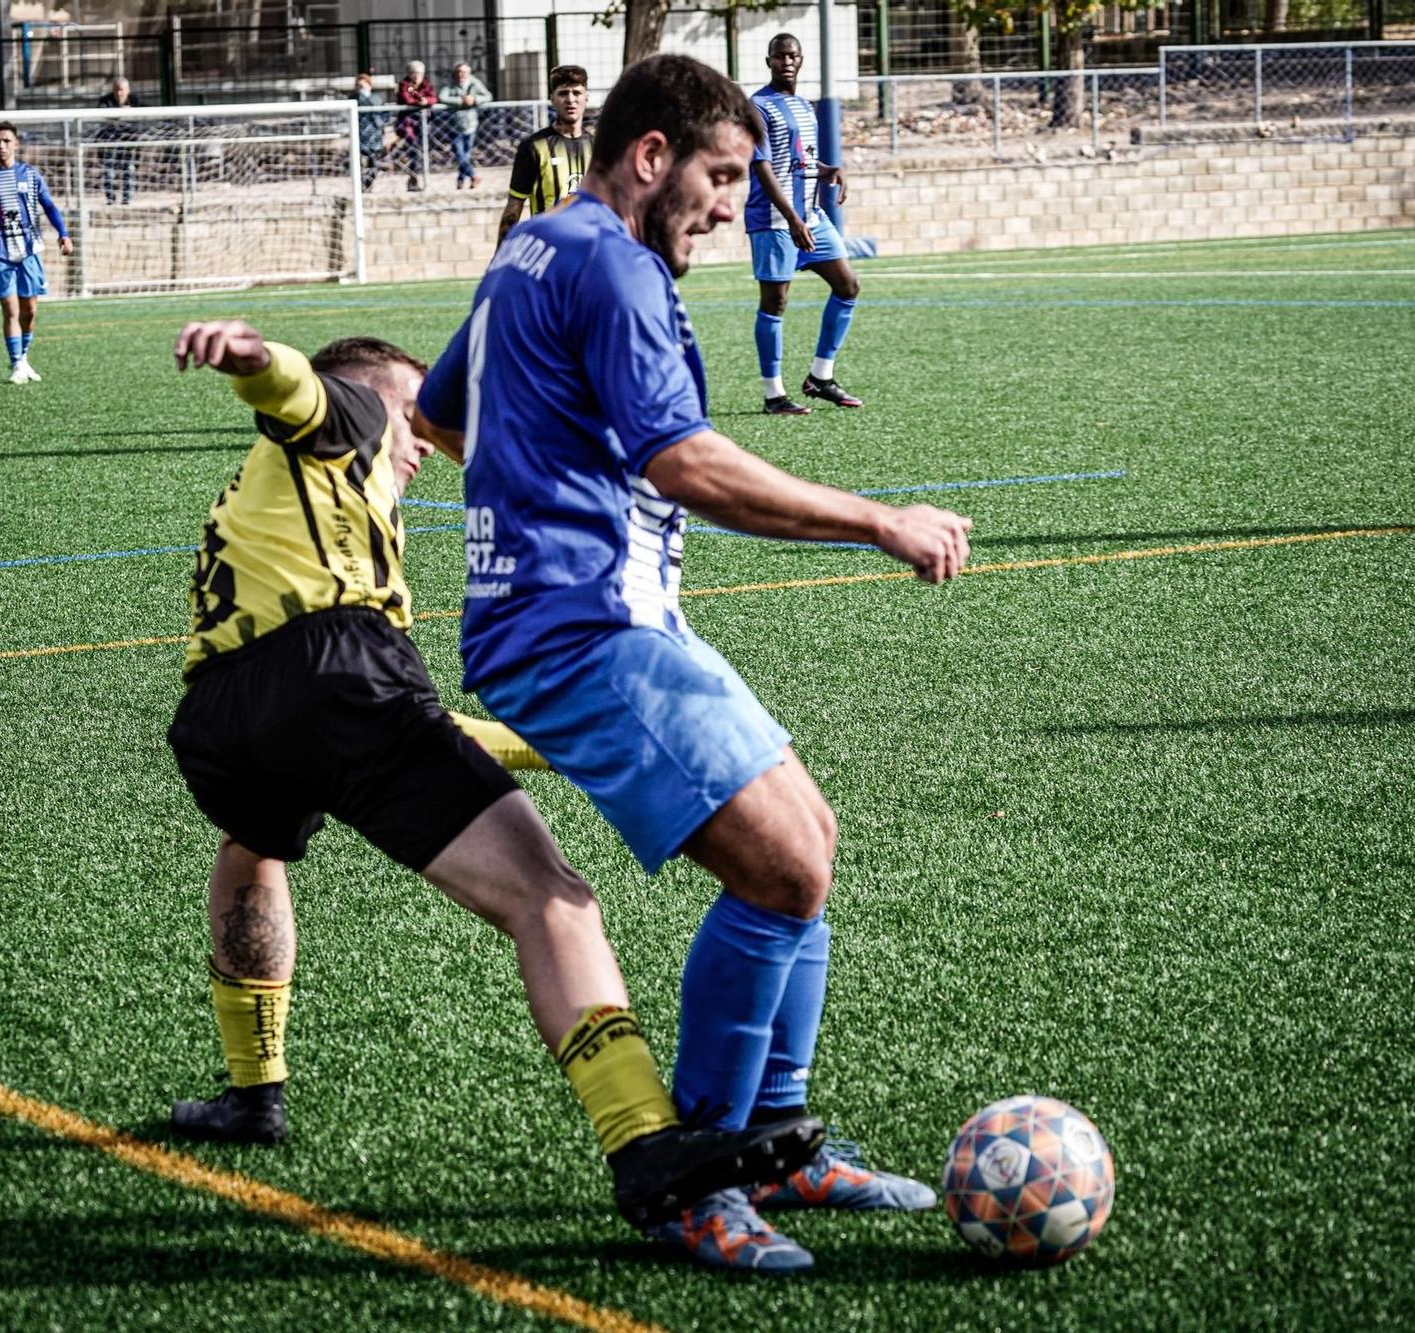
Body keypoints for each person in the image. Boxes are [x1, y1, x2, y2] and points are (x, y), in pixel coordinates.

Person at [414, 53, 971, 1273]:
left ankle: (773, 1135)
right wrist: (876, 517)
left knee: (802, 838)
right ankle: (698, 1173)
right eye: (719, 176)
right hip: (579, 627)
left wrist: (540, 482)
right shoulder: (610, 261)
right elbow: (683, 462)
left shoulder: (532, 250)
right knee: (779, 858)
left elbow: (442, 411)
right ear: (651, 156)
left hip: (582, 613)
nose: (730, 206)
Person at [162, 318, 824, 1235]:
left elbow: (404, 729)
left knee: (254, 847)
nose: (427, 438)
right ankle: (644, 1145)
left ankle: (252, 1092)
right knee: (553, 898)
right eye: (419, 414)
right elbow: (300, 389)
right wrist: (252, 356)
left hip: (219, 712)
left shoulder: (271, 504)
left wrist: (553, 740)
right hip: (335, 675)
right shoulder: (351, 413)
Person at [747, 34, 863, 416]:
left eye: (793, 55)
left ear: (801, 59)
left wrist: (831, 170)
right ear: (769, 61)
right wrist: (793, 219)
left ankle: (820, 377)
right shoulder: (758, 106)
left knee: (848, 285)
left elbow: (803, 162)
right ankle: (773, 394)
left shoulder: (803, 106)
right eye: (780, 56)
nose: (787, 61)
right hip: (776, 220)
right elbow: (762, 166)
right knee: (775, 302)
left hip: (811, 217)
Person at [0, 122, 73, 385]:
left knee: (30, 310)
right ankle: (15, 364)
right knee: (10, 309)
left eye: (7, 141)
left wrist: (63, 233)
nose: (2, 146)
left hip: (29, 251)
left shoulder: (31, 175)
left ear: (16, 144)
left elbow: (49, 206)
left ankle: (23, 358)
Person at [495, 64, 590, 250]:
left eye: (576, 93)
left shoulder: (599, 147)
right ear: (552, 99)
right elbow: (513, 210)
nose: (570, 100)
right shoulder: (534, 147)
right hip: (548, 249)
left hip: (587, 251)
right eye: (563, 93)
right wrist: (499, 258)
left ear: (586, 98)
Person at [93, 75, 146, 206]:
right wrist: (119, 113)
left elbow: (144, 113)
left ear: (128, 90)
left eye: (121, 90)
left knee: (129, 168)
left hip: (129, 142)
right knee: (108, 170)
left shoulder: (135, 100)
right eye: (116, 90)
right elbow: (102, 115)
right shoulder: (105, 100)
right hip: (109, 142)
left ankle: (127, 199)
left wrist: (130, 112)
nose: (119, 93)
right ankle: (110, 199)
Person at [441, 60, 490, 190]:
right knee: (459, 153)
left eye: (464, 72)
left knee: (466, 154)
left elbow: (488, 96)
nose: (461, 75)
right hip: (454, 125)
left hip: (471, 124)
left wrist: (474, 100)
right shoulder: (450, 84)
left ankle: (461, 179)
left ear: (469, 73)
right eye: (459, 72)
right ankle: (473, 176)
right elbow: (442, 97)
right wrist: (460, 101)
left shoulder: (474, 82)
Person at [393, 60, 436, 192]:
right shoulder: (404, 84)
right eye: (414, 73)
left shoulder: (426, 84)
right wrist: (420, 102)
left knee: (421, 150)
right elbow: (406, 99)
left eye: (420, 73)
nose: (417, 76)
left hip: (422, 123)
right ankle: (412, 178)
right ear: (409, 73)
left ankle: (416, 179)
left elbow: (433, 97)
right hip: (407, 124)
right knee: (413, 150)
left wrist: (426, 101)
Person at [350, 71, 383, 192]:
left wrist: (380, 123)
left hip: (375, 136)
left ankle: (367, 184)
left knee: (374, 164)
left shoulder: (377, 98)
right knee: (359, 164)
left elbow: (384, 114)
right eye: (359, 86)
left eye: (364, 86)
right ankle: (361, 187)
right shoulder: (354, 98)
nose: (361, 89)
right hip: (359, 135)